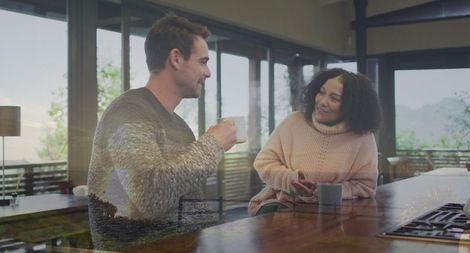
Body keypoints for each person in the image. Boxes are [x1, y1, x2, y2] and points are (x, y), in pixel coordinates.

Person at [87, 14, 237, 250]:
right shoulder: (127, 112)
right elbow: (150, 196)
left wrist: (225, 232)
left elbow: (190, 205)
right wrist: (213, 143)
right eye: (203, 61)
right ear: (176, 58)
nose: (208, 73)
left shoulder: (180, 126)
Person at [248, 68, 382, 216]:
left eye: (334, 98)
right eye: (321, 92)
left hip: (336, 214)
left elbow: (365, 187)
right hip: (280, 207)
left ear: (351, 106)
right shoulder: (293, 122)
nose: (322, 102)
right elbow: (263, 162)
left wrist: (322, 191)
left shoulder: (362, 137)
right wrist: (292, 181)